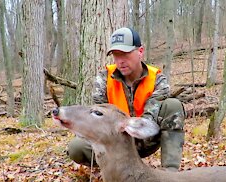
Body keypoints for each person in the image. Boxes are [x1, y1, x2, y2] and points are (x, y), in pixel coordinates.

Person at [67, 27, 185, 171]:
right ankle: (114, 172)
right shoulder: (104, 78)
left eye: (125, 54)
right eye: (116, 55)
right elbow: (99, 117)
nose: (120, 61)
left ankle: (170, 172)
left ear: (140, 52)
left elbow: (149, 119)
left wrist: (130, 127)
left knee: (173, 105)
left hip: (146, 138)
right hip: (115, 140)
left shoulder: (157, 80)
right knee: (76, 147)